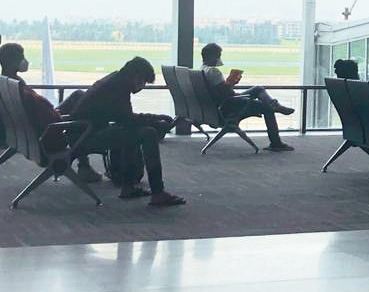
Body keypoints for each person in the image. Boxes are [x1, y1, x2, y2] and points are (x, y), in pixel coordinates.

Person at [71, 57, 185, 206]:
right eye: (143, 82)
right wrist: (156, 121)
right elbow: (127, 119)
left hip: (81, 133)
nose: (142, 87)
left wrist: (155, 118)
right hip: (86, 137)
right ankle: (157, 192)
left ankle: (129, 186)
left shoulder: (113, 81)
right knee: (147, 134)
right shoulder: (119, 87)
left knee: (132, 132)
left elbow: (123, 117)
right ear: (136, 76)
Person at [0, 42, 105, 180]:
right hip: (45, 135)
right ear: (12, 61)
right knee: (83, 118)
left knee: (77, 96)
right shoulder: (19, 88)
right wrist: (63, 118)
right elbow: (45, 118)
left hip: (32, 130)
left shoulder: (8, 84)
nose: (24, 60)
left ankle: (84, 167)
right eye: (21, 57)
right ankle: (84, 168)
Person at [200, 43, 294, 152]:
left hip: (222, 104)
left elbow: (220, 92)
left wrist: (229, 85)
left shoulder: (203, 70)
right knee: (267, 107)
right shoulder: (213, 72)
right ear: (211, 56)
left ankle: (274, 105)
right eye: (218, 55)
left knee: (258, 89)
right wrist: (231, 83)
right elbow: (228, 93)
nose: (219, 58)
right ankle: (276, 142)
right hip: (228, 106)